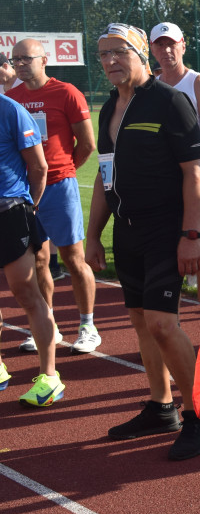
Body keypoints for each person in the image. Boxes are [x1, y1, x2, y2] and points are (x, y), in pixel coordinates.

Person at [85, 23, 200, 459]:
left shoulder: (171, 101)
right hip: (127, 230)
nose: (109, 61)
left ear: (141, 53)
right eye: (103, 54)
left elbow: (193, 175)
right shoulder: (108, 110)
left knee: (162, 323)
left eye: (119, 52)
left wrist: (191, 236)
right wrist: (92, 237)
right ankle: (162, 407)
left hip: (167, 230)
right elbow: (106, 179)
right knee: (141, 321)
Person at [7, 38, 101, 354]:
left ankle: (88, 326)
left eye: (26, 58)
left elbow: (87, 143)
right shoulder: (12, 97)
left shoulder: (66, 93)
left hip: (60, 187)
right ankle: (47, 325)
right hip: (26, 191)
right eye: (15, 59)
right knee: (39, 259)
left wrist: (64, 170)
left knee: (73, 259)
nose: (20, 64)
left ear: (44, 59)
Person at [149, 22, 200, 314]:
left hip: (195, 181)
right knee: (166, 259)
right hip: (161, 184)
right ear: (151, 49)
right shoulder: (151, 84)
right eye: (160, 45)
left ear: (183, 45)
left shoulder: (198, 83)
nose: (166, 50)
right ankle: (170, 328)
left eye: (172, 44)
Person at [0, 91, 65, 406]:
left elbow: (38, 167)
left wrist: (30, 208)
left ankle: (50, 377)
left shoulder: (11, 111)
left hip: (10, 212)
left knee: (26, 295)